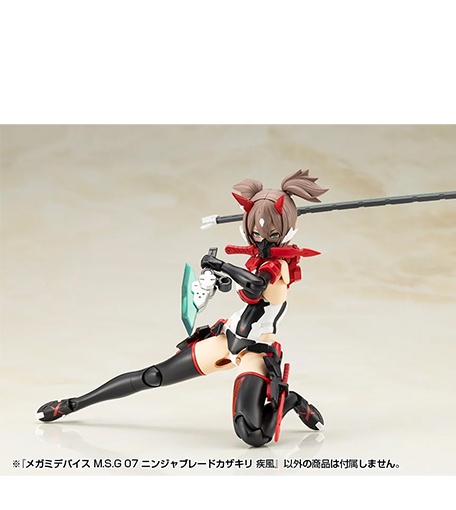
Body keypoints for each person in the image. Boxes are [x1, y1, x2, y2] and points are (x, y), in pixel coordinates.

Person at [37, 169, 327, 447]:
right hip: (228, 337)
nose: (262, 243)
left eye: (271, 236)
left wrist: (221, 265)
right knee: (154, 376)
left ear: (286, 231)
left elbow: (255, 286)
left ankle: (292, 401)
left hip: (256, 351)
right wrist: (217, 279)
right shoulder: (257, 260)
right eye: (257, 235)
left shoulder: (279, 266)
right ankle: (73, 404)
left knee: (251, 433)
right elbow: (243, 286)